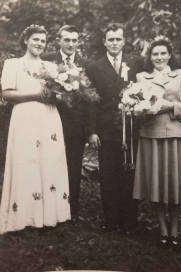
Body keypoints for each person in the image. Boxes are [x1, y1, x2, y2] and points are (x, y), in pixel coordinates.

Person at [0, 25, 71, 234]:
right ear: (26, 40)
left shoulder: (51, 67)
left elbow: (60, 96)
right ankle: (24, 216)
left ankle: (48, 215)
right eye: (35, 40)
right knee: (26, 161)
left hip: (48, 118)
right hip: (24, 116)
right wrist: (35, 95)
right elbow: (6, 94)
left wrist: (59, 95)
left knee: (48, 162)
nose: (39, 44)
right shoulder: (12, 64)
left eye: (42, 41)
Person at [132, 36, 181, 251]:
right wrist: (139, 108)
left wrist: (168, 106)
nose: (159, 57)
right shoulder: (141, 77)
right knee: (156, 185)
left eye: (163, 53)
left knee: (175, 185)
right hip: (151, 135)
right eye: (155, 54)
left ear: (169, 55)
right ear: (150, 58)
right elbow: (137, 107)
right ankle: (162, 230)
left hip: (176, 136)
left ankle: (175, 231)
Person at [86, 23, 144, 233]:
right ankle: (111, 221)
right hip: (106, 130)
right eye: (110, 39)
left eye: (118, 39)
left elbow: (146, 91)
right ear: (104, 42)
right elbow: (92, 102)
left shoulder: (137, 62)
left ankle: (129, 222)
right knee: (109, 176)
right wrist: (92, 131)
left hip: (130, 129)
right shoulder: (94, 67)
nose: (114, 43)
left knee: (129, 174)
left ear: (124, 40)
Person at [41, 25, 91, 221]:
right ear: (59, 41)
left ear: (78, 42)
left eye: (74, 40)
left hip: (75, 126)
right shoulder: (46, 61)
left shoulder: (86, 65)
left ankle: (71, 209)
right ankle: (48, 206)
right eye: (67, 40)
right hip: (48, 120)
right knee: (49, 164)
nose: (71, 44)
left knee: (72, 166)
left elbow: (89, 101)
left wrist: (88, 129)